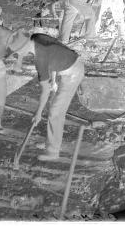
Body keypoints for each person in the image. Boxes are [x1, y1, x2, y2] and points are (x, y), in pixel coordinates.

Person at [31, 33, 84, 161]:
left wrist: (38, 114)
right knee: (54, 109)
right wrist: (53, 81)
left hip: (73, 74)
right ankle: (51, 142)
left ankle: (53, 151)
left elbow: (45, 92)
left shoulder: (40, 50)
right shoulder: (41, 42)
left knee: (56, 112)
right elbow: (53, 62)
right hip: (69, 70)